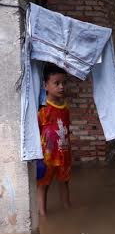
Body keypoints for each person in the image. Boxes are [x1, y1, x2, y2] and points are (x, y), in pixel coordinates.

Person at [36, 64, 72, 217]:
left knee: (64, 182)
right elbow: (36, 133)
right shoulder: (43, 110)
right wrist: (38, 158)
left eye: (64, 83)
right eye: (56, 83)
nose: (61, 87)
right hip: (47, 157)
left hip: (64, 153)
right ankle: (43, 214)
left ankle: (67, 208)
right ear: (45, 85)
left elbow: (67, 129)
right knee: (44, 184)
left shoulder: (66, 108)